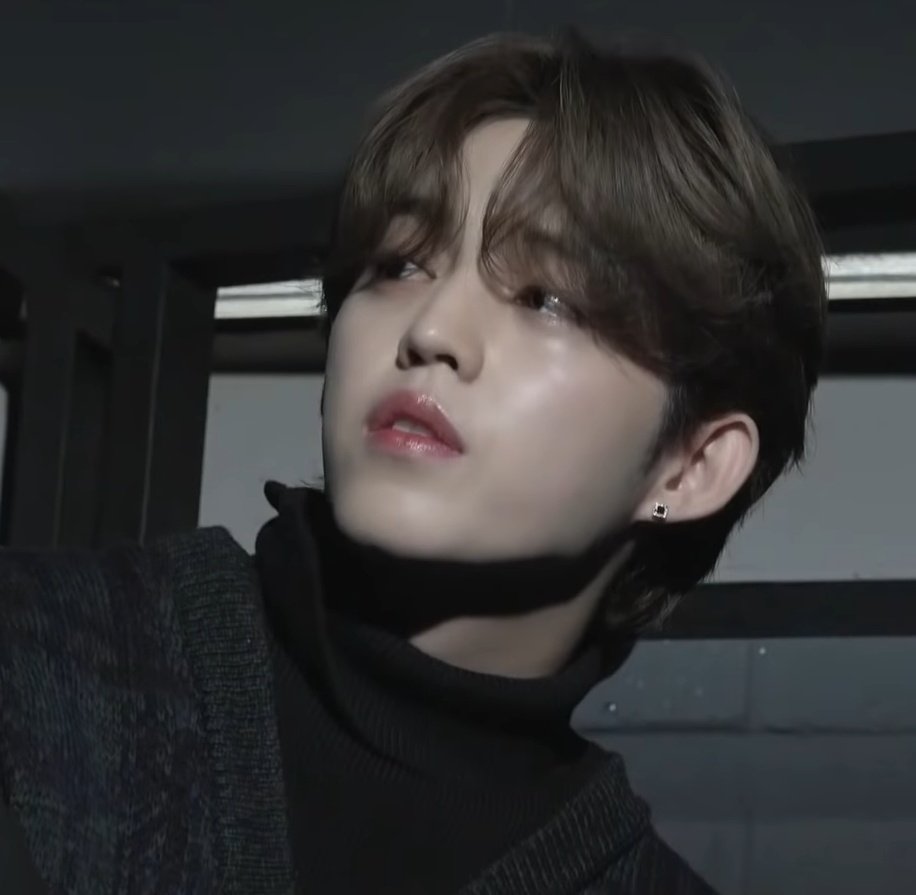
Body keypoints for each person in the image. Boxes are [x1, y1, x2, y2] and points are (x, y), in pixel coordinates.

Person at [0, 28, 826, 895]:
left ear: (691, 468)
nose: (430, 330)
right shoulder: (43, 659)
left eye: (545, 297)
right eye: (398, 264)